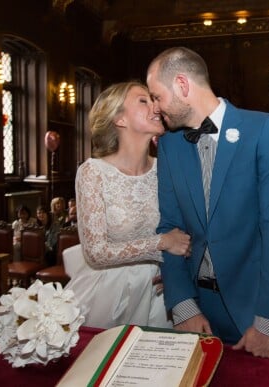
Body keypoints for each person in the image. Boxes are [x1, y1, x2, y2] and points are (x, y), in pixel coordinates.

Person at [147, 46, 269, 358]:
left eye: (156, 96)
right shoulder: (169, 146)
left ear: (182, 85)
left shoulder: (264, 130)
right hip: (197, 308)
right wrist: (182, 305)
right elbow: (170, 228)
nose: (154, 108)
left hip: (253, 310)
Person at [65, 81, 191, 329]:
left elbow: (189, 234)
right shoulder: (93, 172)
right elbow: (96, 253)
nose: (155, 107)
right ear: (119, 119)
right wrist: (161, 243)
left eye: (153, 100)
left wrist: (180, 270)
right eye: (143, 101)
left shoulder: (168, 168)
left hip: (161, 293)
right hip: (109, 294)